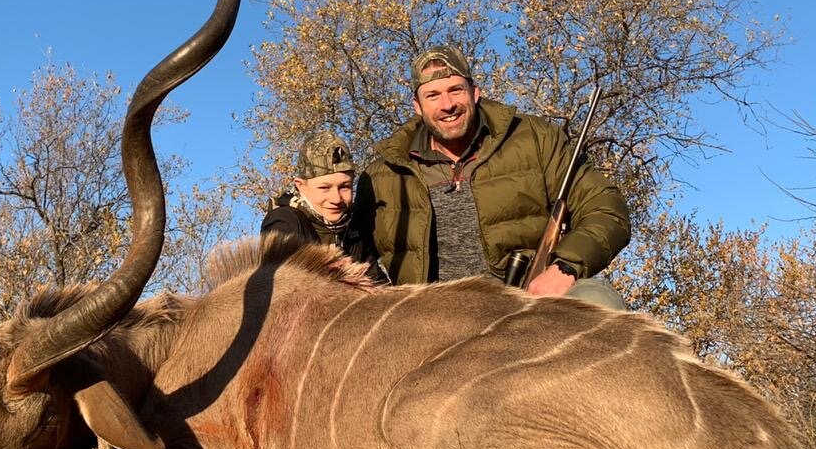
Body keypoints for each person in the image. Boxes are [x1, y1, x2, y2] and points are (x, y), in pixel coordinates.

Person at [350, 45, 630, 308]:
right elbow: (348, 253)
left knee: (598, 301)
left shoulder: (535, 139)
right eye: (433, 95)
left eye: (455, 90)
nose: (447, 105)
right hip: (431, 325)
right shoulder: (383, 174)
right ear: (417, 106)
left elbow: (605, 209)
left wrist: (564, 267)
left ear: (474, 92)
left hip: (528, 306)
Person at [261, 132, 383, 277]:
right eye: (324, 188)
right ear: (300, 186)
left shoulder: (353, 225)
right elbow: (287, 289)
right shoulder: (285, 222)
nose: (336, 199)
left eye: (344, 186)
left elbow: (378, 284)